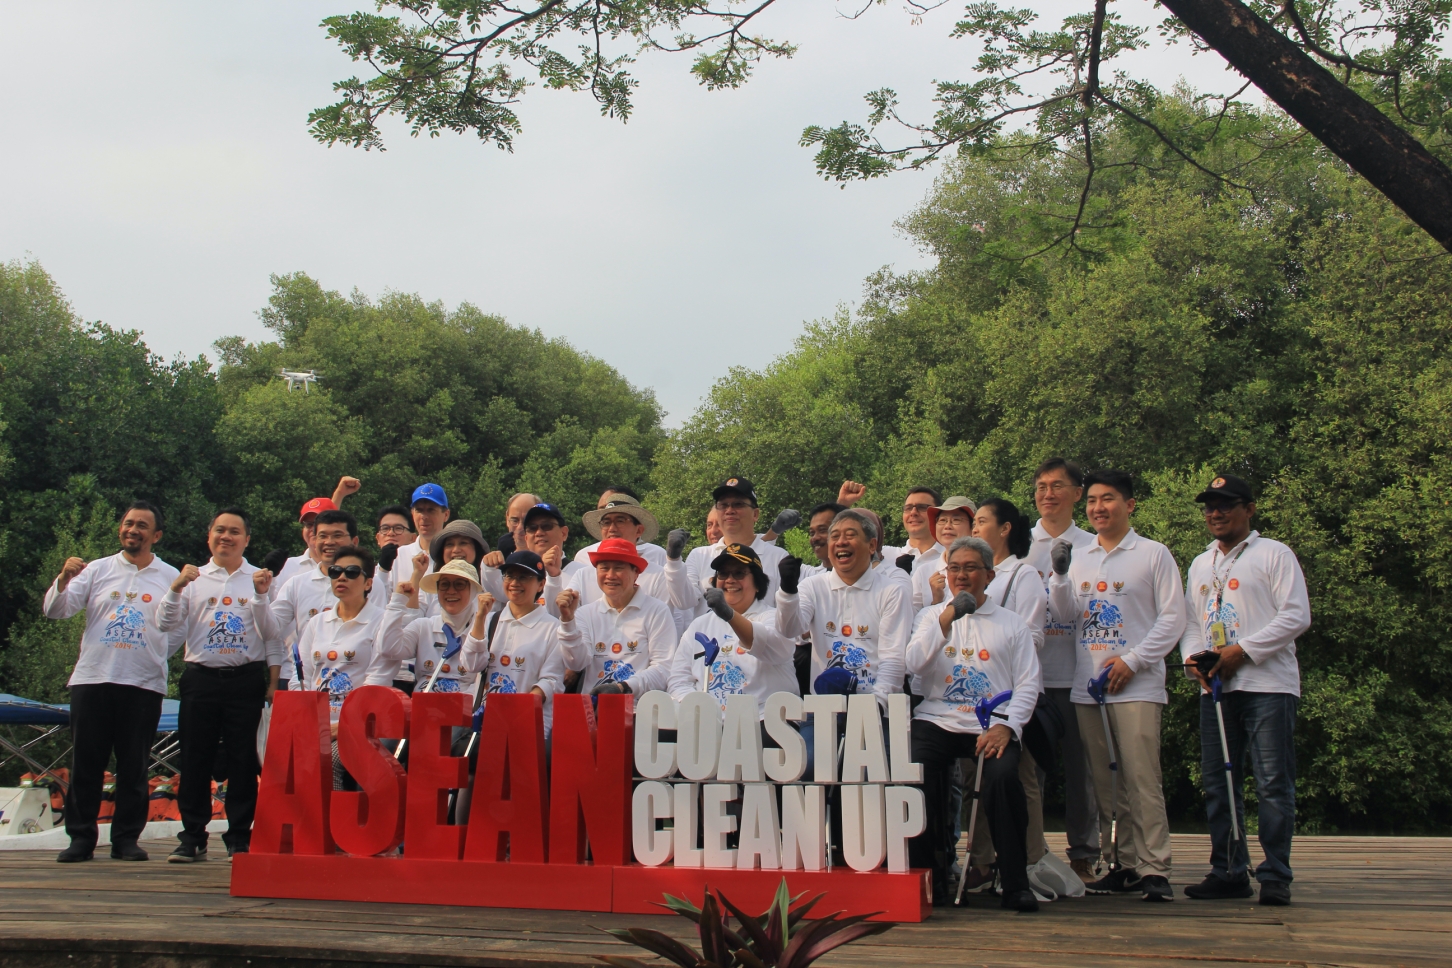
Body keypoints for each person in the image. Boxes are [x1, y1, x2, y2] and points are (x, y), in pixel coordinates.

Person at [1047, 470, 1185, 902]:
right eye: (1091, 501)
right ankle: (1122, 862)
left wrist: (1134, 660)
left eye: (1108, 499)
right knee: (1106, 783)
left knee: (1142, 778)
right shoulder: (1081, 553)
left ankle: (1154, 867)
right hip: (1088, 686)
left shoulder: (1152, 553)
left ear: (1130, 504)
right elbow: (1066, 616)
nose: (1098, 508)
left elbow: (1173, 618)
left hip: (1136, 684)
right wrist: (1062, 576)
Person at [1180, 474, 1309, 907]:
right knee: (1218, 781)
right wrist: (1194, 659)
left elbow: (1295, 616)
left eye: (1226, 504)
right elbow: (1192, 622)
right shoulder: (1201, 563)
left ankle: (1275, 875)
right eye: (1209, 506)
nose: (1215, 513)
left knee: (1272, 782)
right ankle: (1229, 870)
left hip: (1267, 684)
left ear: (1249, 509)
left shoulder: (1274, 554)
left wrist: (1242, 651)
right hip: (1216, 687)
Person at [906, 536, 1042, 911]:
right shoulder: (929, 617)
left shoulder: (1012, 624)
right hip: (937, 718)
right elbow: (913, 664)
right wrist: (946, 617)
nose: (961, 576)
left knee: (1003, 778)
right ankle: (928, 877)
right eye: (954, 568)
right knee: (915, 770)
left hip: (990, 723)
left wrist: (1008, 726)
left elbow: (1029, 683)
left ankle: (1014, 881)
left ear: (989, 574)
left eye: (970, 568)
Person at [43, 502, 181, 863]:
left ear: (157, 535)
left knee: (133, 766)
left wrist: (152, 653)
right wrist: (63, 579)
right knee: (87, 762)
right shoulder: (97, 569)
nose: (133, 530)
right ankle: (81, 838)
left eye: (142, 526)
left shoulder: (169, 575)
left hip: (143, 683)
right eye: (128, 523)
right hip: (93, 678)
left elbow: (179, 628)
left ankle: (125, 839)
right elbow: (57, 610)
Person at [157, 507, 282, 861]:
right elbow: (166, 624)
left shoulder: (258, 578)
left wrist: (260, 596)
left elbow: (272, 634)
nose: (226, 537)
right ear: (209, 535)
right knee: (196, 757)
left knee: (244, 760)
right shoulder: (194, 578)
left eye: (234, 532)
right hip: (201, 677)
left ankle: (239, 836)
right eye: (220, 530)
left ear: (246, 539)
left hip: (244, 678)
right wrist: (176, 588)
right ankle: (192, 835)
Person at [962, 497, 1050, 891]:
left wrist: (996, 636)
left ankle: (1029, 860)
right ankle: (980, 861)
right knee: (976, 779)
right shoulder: (969, 574)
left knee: (1020, 778)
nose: (973, 527)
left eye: (980, 521)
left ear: (1005, 529)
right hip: (973, 695)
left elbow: (1033, 635)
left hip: (1014, 695)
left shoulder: (1023, 575)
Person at [1024, 457, 1101, 882]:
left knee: (1081, 771)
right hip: (1030, 678)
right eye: (1040, 486)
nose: (1047, 494)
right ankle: (1029, 852)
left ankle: (1084, 853)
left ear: (1077, 493)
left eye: (1057, 486)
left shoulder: (1092, 545)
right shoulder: (1020, 542)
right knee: (1028, 774)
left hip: (1077, 675)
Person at [774, 509, 912, 713]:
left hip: (876, 709)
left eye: (850, 535)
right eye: (835, 536)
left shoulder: (892, 591)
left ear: (871, 545)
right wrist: (787, 591)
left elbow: (893, 657)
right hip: (822, 710)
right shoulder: (812, 586)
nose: (841, 542)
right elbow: (789, 629)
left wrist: (877, 705)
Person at [668, 543, 799, 715]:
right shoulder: (699, 625)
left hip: (764, 720)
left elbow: (769, 644)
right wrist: (700, 709)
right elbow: (678, 681)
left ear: (758, 583)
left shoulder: (776, 618)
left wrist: (729, 615)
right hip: (707, 722)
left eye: (739, 573)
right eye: (723, 573)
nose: (730, 580)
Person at [296, 546, 385, 789]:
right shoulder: (316, 623)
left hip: (360, 726)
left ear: (368, 583)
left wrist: (346, 725)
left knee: (328, 759)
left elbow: (377, 680)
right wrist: (304, 720)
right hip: (316, 723)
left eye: (352, 572)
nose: (342, 577)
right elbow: (301, 675)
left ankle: (333, 826)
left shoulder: (381, 621)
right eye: (336, 572)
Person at [556, 537, 678, 695]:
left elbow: (663, 668)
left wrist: (624, 688)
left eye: (619, 568)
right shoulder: (585, 614)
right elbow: (576, 663)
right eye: (604, 568)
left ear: (636, 573)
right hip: (592, 709)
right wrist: (567, 622)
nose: (610, 575)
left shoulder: (657, 611)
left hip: (639, 710)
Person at [463, 551, 565, 730]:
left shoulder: (553, 627)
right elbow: (471, 665)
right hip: (485, 723)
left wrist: (522, 707)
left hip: (529, 724)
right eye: (509, 576)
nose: (515, 583)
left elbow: (552, 680)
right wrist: (479, 618)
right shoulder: (489, 620)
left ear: (541, 584)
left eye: (524, 577)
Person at [553, 494, 693, 616]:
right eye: (606, 522)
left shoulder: (657, 575)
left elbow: (675, 614)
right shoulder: (583, 575)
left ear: (639, 530)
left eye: (620, 521)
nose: (612, 529)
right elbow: (562, 613)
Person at [369, 557, 486, 697]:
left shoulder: (486, 628)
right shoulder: (423, 626)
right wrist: (397, 603)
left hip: (466, 713)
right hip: (423, 711)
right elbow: (388, 649)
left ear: (473, 591)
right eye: (444, 585)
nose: (451, 591)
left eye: (459, 584)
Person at [270, 509, 357, 691]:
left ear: (354, 542)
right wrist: (261, 595)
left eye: (337, 535)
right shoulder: (296, 583)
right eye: (323, 536)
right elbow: (270, 629)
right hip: (306, 682)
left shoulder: (368, 584)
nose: (329, 542)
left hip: (354, 683)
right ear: (314, 540)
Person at [677, 477, 797, 607]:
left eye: (738, 504)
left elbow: (787, 613)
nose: (729, 511)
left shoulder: (778, 558)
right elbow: (684, 603)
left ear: (755, 514)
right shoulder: (699, 556)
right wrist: (673, 561)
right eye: (723, 505)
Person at [272, 477, 362, 589]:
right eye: (308, 524)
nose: (313, 530)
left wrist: (339, 494)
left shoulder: (356, 571)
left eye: (317, 524)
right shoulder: (286, 566)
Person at [379, 483, 451, 597]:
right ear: (412, 513)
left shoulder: (452, 555)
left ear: (446, 514)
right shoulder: (399, 556)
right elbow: (381, 598)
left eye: (431, 510)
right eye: (419, 510)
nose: (424, 516)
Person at [917, 497, 976, 609]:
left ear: (973, 527)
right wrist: (937, 601)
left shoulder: (985, 570)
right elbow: (914, 620)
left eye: (956, 520)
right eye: (942, 520)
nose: (947, 526)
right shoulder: (923, 572)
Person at [880, 486, 944, 573]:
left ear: (938, 514)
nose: (913, 513)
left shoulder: (951, 558)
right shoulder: (884, 555)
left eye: (922, 507)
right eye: (908, 508)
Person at [495, 491, 540, 557]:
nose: (520, 527)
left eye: (526, 521)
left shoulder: (553, 561)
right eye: (515, 521)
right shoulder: (501, 555)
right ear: (507, 519)